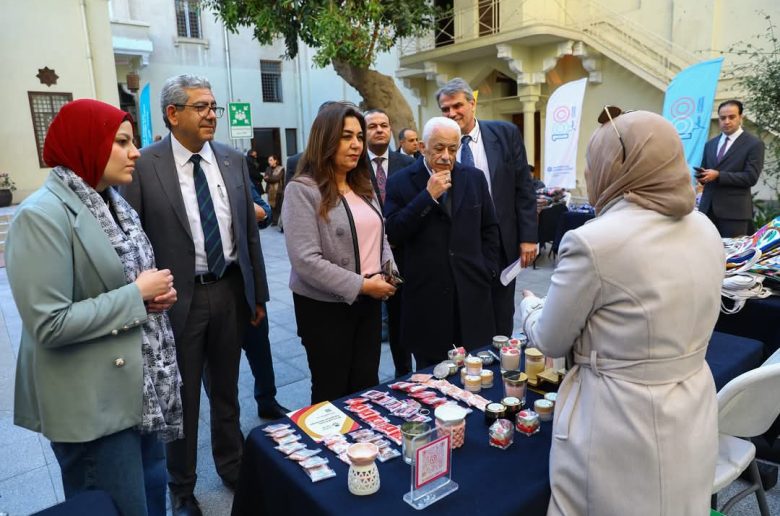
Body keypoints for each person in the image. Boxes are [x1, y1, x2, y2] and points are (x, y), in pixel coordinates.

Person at [519, 110, 723, 515]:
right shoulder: (705, 228)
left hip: (619, 419)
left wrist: (529, 306)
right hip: (692, 406)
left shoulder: (594, 241)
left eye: (594, 163)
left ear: (614, 165)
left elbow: (551, 339)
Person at [7, 99, 182, 516]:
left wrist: (152, 298)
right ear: (86, 144)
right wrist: (136, 296)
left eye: (133, 142)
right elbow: (47, 323)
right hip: (92, 407)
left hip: (141, 391)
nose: (135, 151)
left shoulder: (111, 203)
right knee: (117, 507)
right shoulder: (42, 215)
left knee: (149, 499)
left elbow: (121, 283)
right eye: (121, 141)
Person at [122, 74, 270, 516]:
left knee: (226, 388)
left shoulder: (231, 160)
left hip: (228, 293)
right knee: (181, 399)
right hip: (175, 300)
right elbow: (134, 237)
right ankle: (182, 487)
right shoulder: (145, 166)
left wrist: (257, 294)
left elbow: (247, 233)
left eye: (213, 107)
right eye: (200, 107)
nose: (211, 115)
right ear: (173, 114)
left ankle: (232, 464)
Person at [282, 103, 397, 403]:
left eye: (359, 136)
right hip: (325, 308)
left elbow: (379, 233)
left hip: (368, 302)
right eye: (347, 136)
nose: (357, 144)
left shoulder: (362, 184)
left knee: (366, 385)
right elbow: (305, 260)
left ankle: (362, 447)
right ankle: (327, 448)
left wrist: (390, 270)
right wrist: (361, 284)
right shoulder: (303, 189)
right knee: (331, 390)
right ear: (326, 138)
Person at [385, 117, 500, 369]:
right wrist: (427, 197)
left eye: (453, 148)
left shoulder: (474, 178)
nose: (446, 156)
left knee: (476, 374)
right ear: (423, 147)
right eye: (439, 149)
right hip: (427, 301)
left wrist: (487, 269)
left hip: (471, 297)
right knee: (431, 380)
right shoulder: (400, 181)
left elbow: (489, 228)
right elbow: (393, 232)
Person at [437, 77, 537, 337]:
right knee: (467, 312)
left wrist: (528, 238)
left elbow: (523, 189)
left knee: (502, 311)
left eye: (457, 105)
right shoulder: (442, 147)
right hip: (461, 245)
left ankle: (502, 361)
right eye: (445, 109)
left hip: (502, 241)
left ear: (472, 103)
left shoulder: (505, 134)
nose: (452, 113)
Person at [364, 108, 415, 376]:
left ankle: (403, 372)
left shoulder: (406, 164)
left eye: (384, 124)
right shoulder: (354, 165)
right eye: (372, 126)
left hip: (402, 254)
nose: (379, 130)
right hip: (367, 257)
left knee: (401, 320)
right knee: (370, 323)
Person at [698, 99, 765, 237]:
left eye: (731, 117)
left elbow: (750, 177)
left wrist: (718, 175)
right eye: (722, 118)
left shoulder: (754, 144)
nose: (726, 121)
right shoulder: (710, 144)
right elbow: (706, 171)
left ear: (741, 117)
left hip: (734, 214)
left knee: (732, 257)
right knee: (706, 255)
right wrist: (702, 177)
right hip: (707, 211)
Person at [264, 154, 285, 229]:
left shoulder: (281, 169)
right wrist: (269, 178)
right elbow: (265, 178)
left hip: (278, 191)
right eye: (268, 160)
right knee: (272, 206)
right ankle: (274, 221)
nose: (269, 162)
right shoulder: (268, 168)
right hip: (270, 190)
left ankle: (279, 221)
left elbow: (277, 178)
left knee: (278, 206)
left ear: (275, 161)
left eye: (271, 160)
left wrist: (269, 178)